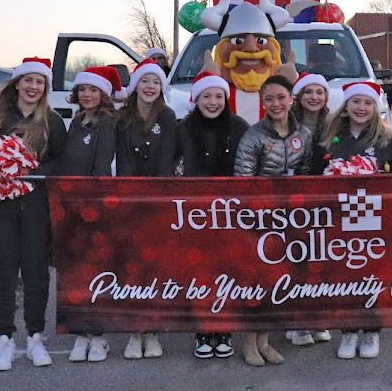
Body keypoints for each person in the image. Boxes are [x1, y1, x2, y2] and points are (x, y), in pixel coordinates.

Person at [0, 57, 67, 372]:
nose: (33, 87)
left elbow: (60, 162)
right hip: (0, 206)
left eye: (39, 82)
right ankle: (5, 338)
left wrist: (29, 169)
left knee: (36, 272)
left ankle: (36, 336)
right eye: (28, 81)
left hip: (36, 206)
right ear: (17, 84)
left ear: (45, 88)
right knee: (3, 270)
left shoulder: (51, 121)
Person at [234, 75, 313, 366]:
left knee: (278, 281)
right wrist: (255, 214)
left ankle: (265, 341)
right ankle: (249, 343)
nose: (276, 104)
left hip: (290, 219)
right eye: (269, 99)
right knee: (256, 281)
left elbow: (306, 177)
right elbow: (242, 181)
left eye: (281, 97)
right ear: (262, 102)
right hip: (259, 219)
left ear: (291, 99)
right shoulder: (253, 135)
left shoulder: (303, 134)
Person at [321, 81, 392, 360]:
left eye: (367, 103)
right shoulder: (331, 137)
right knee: (345, 275)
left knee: (372, 274)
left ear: (375, 107)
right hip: (339, 220)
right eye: (356, 102)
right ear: (346, 107)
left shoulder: (389, 141)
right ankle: (348, 330)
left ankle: (371, 331)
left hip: (374, 220)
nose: (361, 108)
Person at [177, 71, 249, 360]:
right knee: (201, 272)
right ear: (197, 99)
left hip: (229, 213)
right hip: (195, 213)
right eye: (207, 96)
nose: (213, 102)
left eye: (218, 96)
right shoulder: (183, 128)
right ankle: (203, 330)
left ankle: (224, 329)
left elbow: (247, 167)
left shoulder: (239, 126)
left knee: (227, 271)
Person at [116, 58, 178, 360]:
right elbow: (122, 160)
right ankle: (133, 331)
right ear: (136, 85)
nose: (150, 86)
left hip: (157, 201)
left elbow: (167, 159)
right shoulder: (123, 118)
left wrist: (158, 196)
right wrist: (129, 196)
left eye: (155, 82)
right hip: (130, 201)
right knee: (132, 267)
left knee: (155, 267)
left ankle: (153, 330)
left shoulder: (167, 116)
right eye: (145, 81)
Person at [60, 66, 120, 363]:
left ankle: (99, 336)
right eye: (83, 89)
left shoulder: (106, 123)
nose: (87, 95)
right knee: (76, 273)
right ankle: (80, 334)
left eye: (93, 90)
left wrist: (93, 207)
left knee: (96, 272)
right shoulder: (76, 122)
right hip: (70, 206)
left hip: (92, 207)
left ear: (103, 94)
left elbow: (102, 166)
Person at [286, 72, 333, 346]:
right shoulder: (288, 124)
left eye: (319, 92)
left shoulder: (334, 125)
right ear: (299, 97)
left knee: (322, 261)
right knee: (295, 260)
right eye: (308, 92)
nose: (314, 97)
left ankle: (319, 317)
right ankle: (296, 319)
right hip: (294, 200)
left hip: (325, 201)